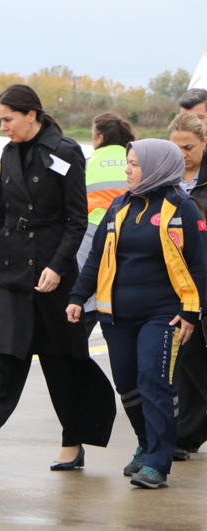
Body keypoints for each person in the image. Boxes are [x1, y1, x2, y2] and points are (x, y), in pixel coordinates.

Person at [0, 84, 116, 473]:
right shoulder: (8, 153)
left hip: (50, 270)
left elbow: (77, 220)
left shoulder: (65, 152)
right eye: (0, 120)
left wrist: (57, 266)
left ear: (32, 115)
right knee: (1, 354)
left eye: (8, 119)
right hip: (11, 268)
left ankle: (73, 442)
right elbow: (0, 211)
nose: (3, 127)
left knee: (62, 360)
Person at [68, 138, 206, 489]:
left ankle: (158, 463)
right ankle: (146, 443)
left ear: (157, 167)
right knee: (128, 385)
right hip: (116, 315)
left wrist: (191, 312)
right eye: (128, 163)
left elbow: (201, 265)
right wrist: (77, 296)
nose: (127, 170)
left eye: (134, 164)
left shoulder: (183, 208)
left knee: (154, 382)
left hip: (164, 315)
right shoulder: (119, 206)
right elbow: (97, 258)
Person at [168, 112, 207, 460]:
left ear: (204, 143)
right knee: (190, 366)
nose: (183, 154)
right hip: (183, 288)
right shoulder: (165, 184)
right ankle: (187, 436)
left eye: (189, 147)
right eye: (176, 147)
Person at [76, 113, 134, 337]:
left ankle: (79, 341)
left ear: (100, 138)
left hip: (92, 232)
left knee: (86, 291)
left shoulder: (89, 162)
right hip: (130, 231)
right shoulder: (135, 159)